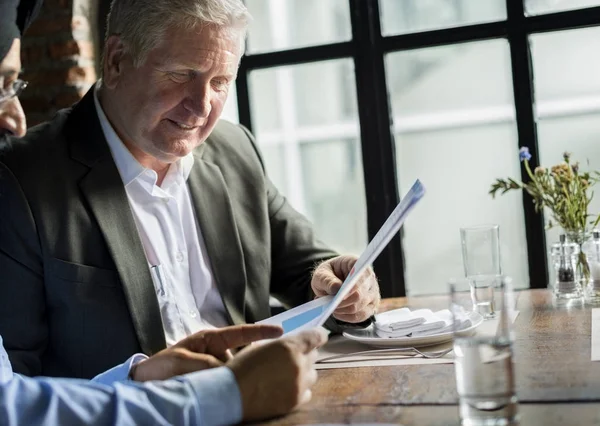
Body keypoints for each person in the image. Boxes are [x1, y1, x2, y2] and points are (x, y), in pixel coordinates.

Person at [0, 0, 381, 380]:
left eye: (220, 82)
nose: (202, 107)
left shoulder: (236, 150)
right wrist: (135, 383)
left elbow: (307, 271)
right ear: (116, 60)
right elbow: (14, 386)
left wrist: (344, 288)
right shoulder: (20, 179)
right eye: (182, 74)